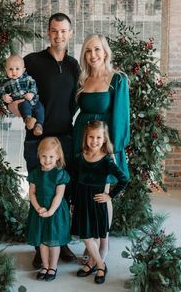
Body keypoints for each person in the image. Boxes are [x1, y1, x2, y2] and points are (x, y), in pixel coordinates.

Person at [23, 13, 80, 268]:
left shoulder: (73, 64)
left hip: (64, 139)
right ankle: (39, 246)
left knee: (62, 194)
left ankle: (60, 242)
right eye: (54, 31)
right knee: (39, 191)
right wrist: (25, 117)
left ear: (70, 33)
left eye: (63, 31)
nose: (59, 35)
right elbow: (17, 93)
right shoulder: (32, 61)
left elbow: (75, 101)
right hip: (37, 139)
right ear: (48, 32)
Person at [73, 33, 130, 261]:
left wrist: (112, 149)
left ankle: (103, 243)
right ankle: (91, 242)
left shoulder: (117, 79)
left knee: (102, 195)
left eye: (97, 49)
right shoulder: (82, 79)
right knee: (86, 194)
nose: (93, 54)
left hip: (104, 145)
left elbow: (121, 117)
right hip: (83, 142)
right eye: (88, 50)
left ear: (105, 52)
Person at [71, 120, 129, 284]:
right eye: (91, 137)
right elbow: (75, 181)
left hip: (97, 202)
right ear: (86, 137)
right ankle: (96, 263)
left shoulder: (106, 160)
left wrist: (110, 196)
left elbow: (123, 179)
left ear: (104, 139)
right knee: (87, 236)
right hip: (82, 201)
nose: (94, 141)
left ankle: (98, 265)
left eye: (98, 137)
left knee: (92, 236)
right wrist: (73, 201)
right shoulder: (80, 157)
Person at [26, 137, 71, 281]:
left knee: (53, 240)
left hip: (55, 211)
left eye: (51, 156)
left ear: (58, 156)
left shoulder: (60, 174)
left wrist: (50, 211)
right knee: (42, 241)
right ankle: (44, 265)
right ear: (39, 156)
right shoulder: (35, 173)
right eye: (44, 156)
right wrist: (38, 208)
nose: (47, 160)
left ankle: (53, 266)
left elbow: (59, 195)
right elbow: (31, 193)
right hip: (39, 210)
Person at [0, 54, 44, 136]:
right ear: (6, 70)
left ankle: (39, 125)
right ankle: (28, 119)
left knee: (40, 108)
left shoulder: (27, 78)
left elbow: (33, 85)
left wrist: (32, 93)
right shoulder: (5, 82)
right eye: (10, 69)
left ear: (23, 70)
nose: (14, 72)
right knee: (24, 106)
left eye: (17, 69)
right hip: (21, 101)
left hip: (33, 100)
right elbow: (0, 91)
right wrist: (4, 96)